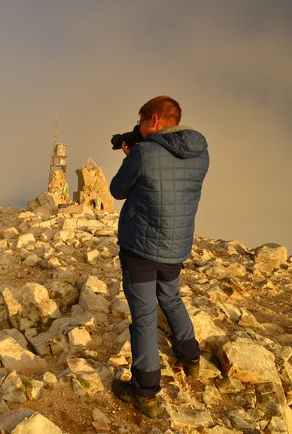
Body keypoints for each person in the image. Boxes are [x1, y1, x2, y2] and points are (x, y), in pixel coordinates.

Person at [109, 96, 210, 418]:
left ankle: (145, 392)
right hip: (175, 247)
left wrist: (131, 156)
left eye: (140, 122)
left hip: (140, 248)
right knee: (171, 298)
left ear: (153, 120)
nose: (138, 128)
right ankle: (190, 357)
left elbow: (117, 191)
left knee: (144, 315)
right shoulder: (200, 153)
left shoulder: (143, 153)